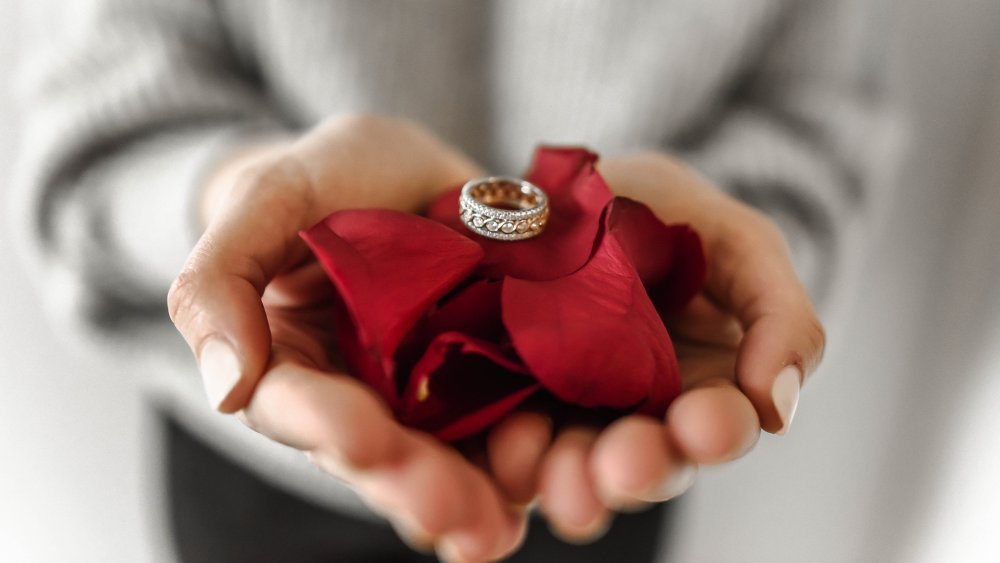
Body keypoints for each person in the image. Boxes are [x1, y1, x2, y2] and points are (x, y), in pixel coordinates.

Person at [12, 1, 884, 561]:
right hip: (258, 459)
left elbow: (810, 120)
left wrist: (736, 249)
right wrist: (237, 200)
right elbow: (103, 102)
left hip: (610, 442)